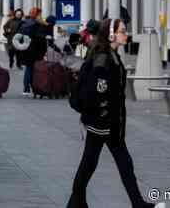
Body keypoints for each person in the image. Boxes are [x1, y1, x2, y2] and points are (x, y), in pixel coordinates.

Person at [67, 19, 162, 208]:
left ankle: (136, 203)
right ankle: (76, 204)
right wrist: (104, 116)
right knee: (89, 165)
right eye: (122, 31)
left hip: (111, 124)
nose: (126, 34)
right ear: (111, 34)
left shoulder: (112, 55)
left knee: (121, 164)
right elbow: (97, 91)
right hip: (102, 123)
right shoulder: (103, 58)